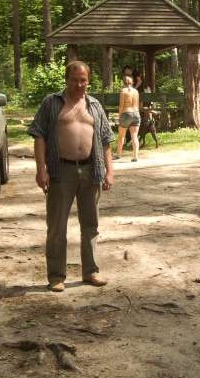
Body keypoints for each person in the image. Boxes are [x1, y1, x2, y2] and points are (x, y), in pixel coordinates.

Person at [28, 61, 115, 292]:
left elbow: (106, 140)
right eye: (75, 79)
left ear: (88, 80)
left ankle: (91, 272)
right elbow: (39, 135)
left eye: (83, 79)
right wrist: (41, 169)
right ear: (66, 80)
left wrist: (110, 171)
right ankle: (56, 276)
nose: (79, 84)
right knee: (57, 226)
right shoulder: (52, 103)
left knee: (91, 224)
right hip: (60, 171)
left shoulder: (95, 105)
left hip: (91, 170)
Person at [115, 75, 141, 162]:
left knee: (121, 136)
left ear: (123, 82)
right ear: (132, 82)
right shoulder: (136, 91)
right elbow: (137, 105)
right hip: (136, 114)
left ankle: (118, 154)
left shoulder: (123, 91)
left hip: (126, 113)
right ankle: (135, 156)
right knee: (134, 136)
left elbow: (121, 105)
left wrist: (119, 116)